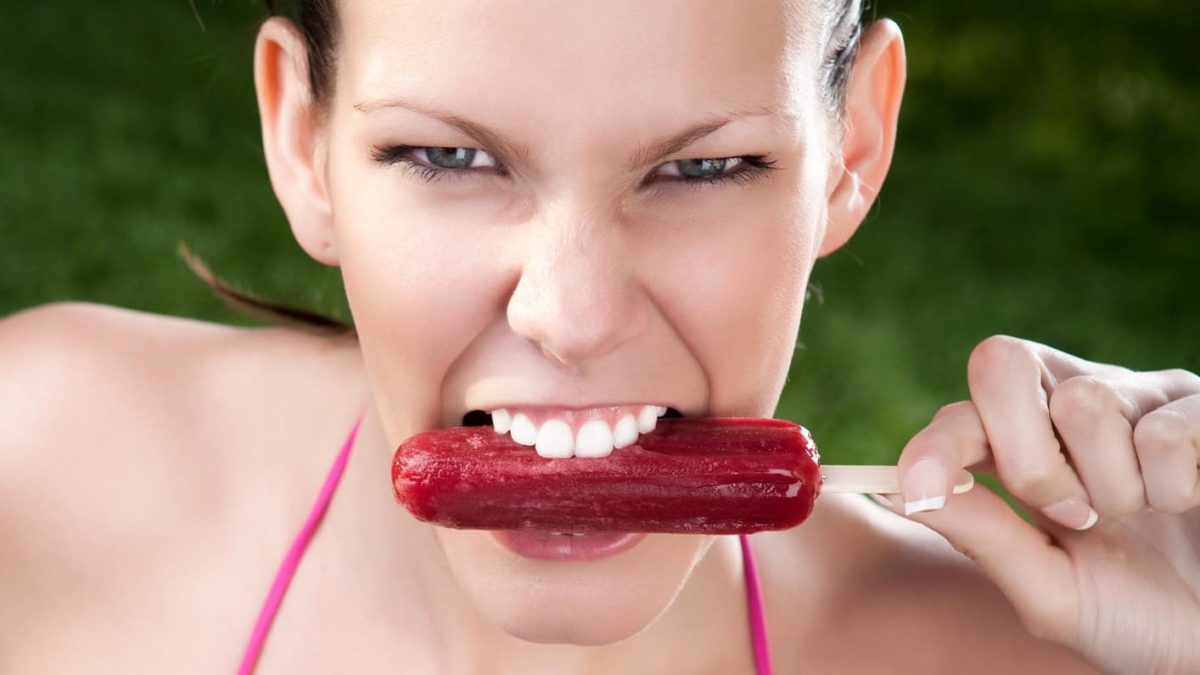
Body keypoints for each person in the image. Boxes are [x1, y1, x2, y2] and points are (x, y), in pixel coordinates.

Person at [1, 0, 1196, 672]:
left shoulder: (1006, 656)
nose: (571, 319)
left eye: (706, 167)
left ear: (855, 154)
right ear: (302, 141)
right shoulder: (37, 464)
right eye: (449, 157)